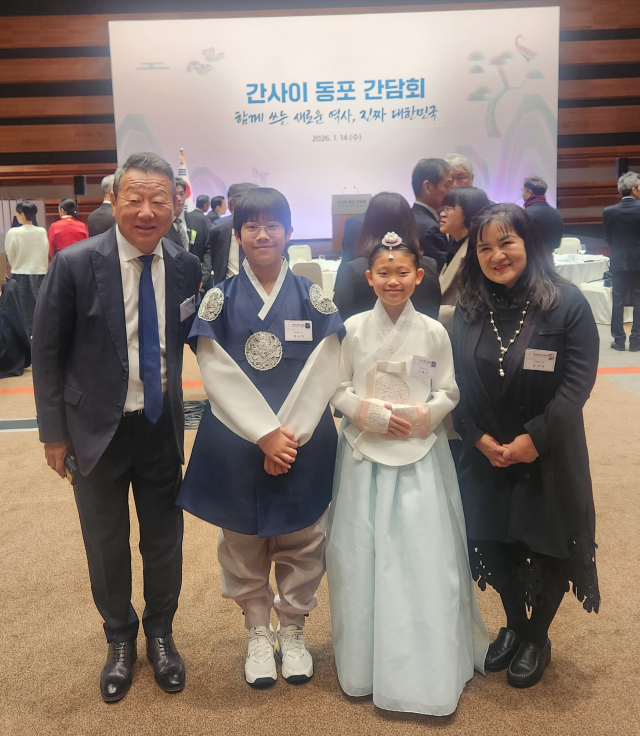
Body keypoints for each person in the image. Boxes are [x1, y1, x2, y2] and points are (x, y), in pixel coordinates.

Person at [32, 152, 201, 703]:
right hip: (94, 428)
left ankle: (161, 634)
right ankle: (120, 639)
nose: (147, 211)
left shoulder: (184, 266)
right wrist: (53, 435)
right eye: (135, 198)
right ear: (113, 199)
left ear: (175, 205)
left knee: (164, 540)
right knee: (105, 542)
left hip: (158, 426)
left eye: (159, 200)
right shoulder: (76, 264)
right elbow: (47, 353)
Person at [178, 187, 343, 689]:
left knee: (304, 536)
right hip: (237, 437)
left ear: (290, 232)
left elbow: (326, 365)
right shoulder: (219, 299)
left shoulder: (313, 297)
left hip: (302, 438)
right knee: (242, 539)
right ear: (238, 234)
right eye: (251, 225)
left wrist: (286, 437)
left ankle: (292, 629)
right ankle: (256, 630)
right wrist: (263, 434)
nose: (263, 234)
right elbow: (215, 369)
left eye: (273, 225)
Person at [327, 231, 487, 715]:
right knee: (361, 553)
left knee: (423, 552)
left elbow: (448, 390)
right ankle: (364, 664)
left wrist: (423, 416)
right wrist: (370, 415)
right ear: (369, 277)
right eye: (383, 272)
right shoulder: (353, 328)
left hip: (420, 450)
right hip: (364, 451)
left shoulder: (434, 331)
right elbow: (336, 387)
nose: (392, 281)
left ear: (418, 277)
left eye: (402, 273)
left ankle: (426, 661)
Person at [451, 203, 600, 689]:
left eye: (506, 242)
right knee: (495, 538)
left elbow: (576, 384)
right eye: (484, 248)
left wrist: (534, 440)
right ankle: (515, 623)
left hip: (548, 450)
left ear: (528, 243)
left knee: (548, 541)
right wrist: (477, 437)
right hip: (487, 451)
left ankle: (538, 637)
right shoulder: (469, 308)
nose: (496, 255)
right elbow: (453, 382)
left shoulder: (566, 303)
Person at [333, 192, 440, 322]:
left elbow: (340, 318)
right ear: (410, 223)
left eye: (402, 273)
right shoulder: (430, 265)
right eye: (383, 273)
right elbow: (433, 311)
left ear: (368, 224)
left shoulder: (353, 270)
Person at [438, 186, 491, 332]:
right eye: (442, 208)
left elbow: (477, 307)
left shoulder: (478, 253)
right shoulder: (455, 243)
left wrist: (431, 313)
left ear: (470, 211)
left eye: (449, 208)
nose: (442, 214)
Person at [603, 170, 640, 351]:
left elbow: (608, 238)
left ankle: (618, 340)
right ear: (634, 189)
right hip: (639, 261)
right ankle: (636, 341)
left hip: (618, 260)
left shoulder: (609, 211)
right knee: (639, 300)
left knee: (617, 301)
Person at [4, 200, 49, 336]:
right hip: (40, 273)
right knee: (40, 308)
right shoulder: (42, 231)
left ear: (22, 214)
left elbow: (10, 254)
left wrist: (16, 264)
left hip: (20, 274)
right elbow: (45, 252)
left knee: (23, 312)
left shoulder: (13, 232)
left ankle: (28, 340)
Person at [165, 178, 212, 290]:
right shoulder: (162, 224)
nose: (179, 198)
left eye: (182, 194)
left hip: (199, 284)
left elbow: (208, 250)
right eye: (175, 194)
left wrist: (203, 278)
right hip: (172, 284)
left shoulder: (199, 220)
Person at [209, 182, 258, 285]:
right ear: (232, 204)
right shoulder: (219, 231)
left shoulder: (269, 233)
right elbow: (214, 261)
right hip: (228, 289)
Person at [411, 158, 452, 272]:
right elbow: (443, 272)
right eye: (447, 185)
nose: (451, 191)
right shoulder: (432, 229)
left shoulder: (408, 216)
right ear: (427, 187)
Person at [521, 176, 563, 256]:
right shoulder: (556, 213)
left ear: (529, 193)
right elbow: (557, 244)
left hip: (530, 260)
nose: (522, 195)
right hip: (549, 260)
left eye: (522, 191)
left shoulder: (524, 214)